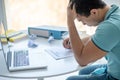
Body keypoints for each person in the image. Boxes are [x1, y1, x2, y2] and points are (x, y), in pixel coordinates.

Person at [63, 0, 120, 80]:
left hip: (116, 76)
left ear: (94, 12)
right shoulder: (116, 14)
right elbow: (99, 38)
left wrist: (70, 21)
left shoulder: (110, 27)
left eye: (81, 20)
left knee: (70, 79)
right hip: (115, 65)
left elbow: (82, 60)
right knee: (83, 72)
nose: (83, 23)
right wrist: (74, 41)